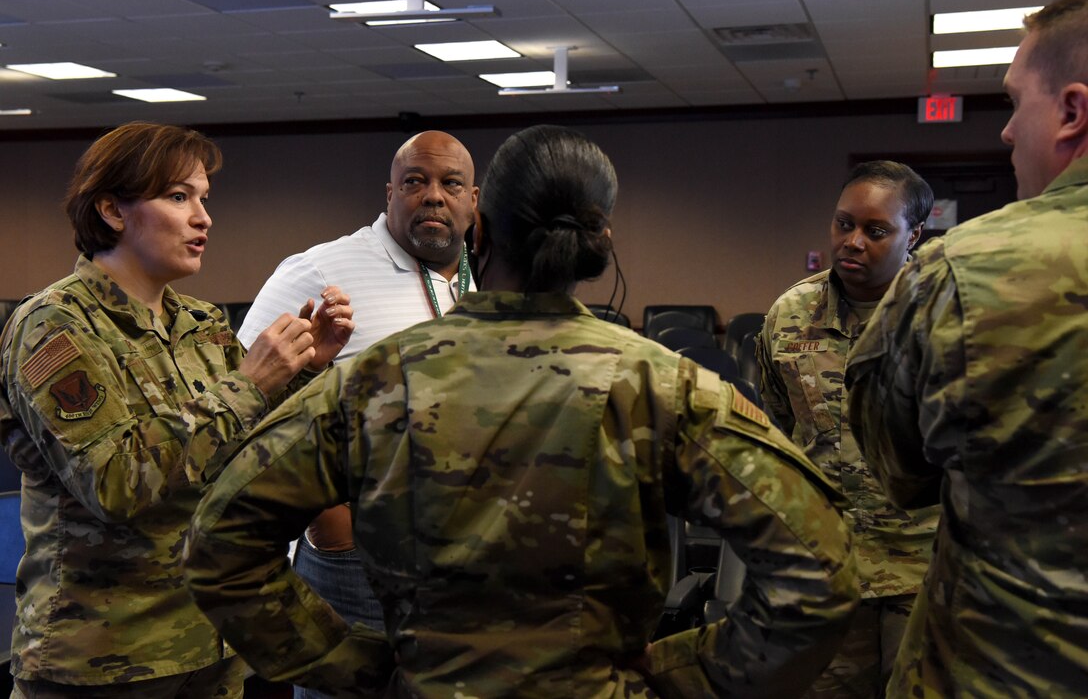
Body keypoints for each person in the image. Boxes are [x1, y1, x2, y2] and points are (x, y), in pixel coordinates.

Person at [184, 124, 860, 698]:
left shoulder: (374, 381)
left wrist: (360, 665)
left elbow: (220, 540)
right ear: (601, 241)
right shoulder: (661, 385)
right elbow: (822, 563)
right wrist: (674, 671)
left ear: (479, 225)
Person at [0, 121, 353, 698]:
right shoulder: (53, 326)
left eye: (203, 199)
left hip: (210, 644)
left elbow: (255, 455)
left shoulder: (201, 323)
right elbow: (114, 484)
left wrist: (305, 368)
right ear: (113, 210)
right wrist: (248, 383)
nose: (203, 217)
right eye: (178, 197)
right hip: (103, 663)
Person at [845, 0, 1088, 697]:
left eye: (1017, 102)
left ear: (1072, 110)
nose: (1008, 131)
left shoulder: (961, 268)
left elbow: (899, 473)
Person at [234, 131, 478, 690]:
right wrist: (331, 524)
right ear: (389, 192)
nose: (433, 196)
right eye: (415, 181)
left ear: (473, 200)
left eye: (450, 184)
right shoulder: (320, 271)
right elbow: (242, 390)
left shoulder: (464, 279)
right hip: (354, 558)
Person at [756, 161, 939, 698]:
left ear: (914, 235)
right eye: (843, 224)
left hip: (925, 568)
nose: (852, 242)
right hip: (829, 567)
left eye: (875, 230)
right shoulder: (791, 314)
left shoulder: (943, 311)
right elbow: (779, 426)